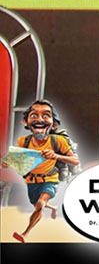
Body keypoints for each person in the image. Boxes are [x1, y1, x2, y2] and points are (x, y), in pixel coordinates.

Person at [5, 100, 78, 242]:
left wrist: (56, 156)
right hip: (32, 181)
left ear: (54, 124)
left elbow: (75, 160)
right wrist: (7, 162)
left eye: (46, 116)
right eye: (34, 115)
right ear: (25, 122)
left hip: (50, 180)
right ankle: (53, 208)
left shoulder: (58, 141)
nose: (39, 120)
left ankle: (24, 234)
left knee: (39, 205)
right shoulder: (23, 141)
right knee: (37, 205)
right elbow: (18, 159)